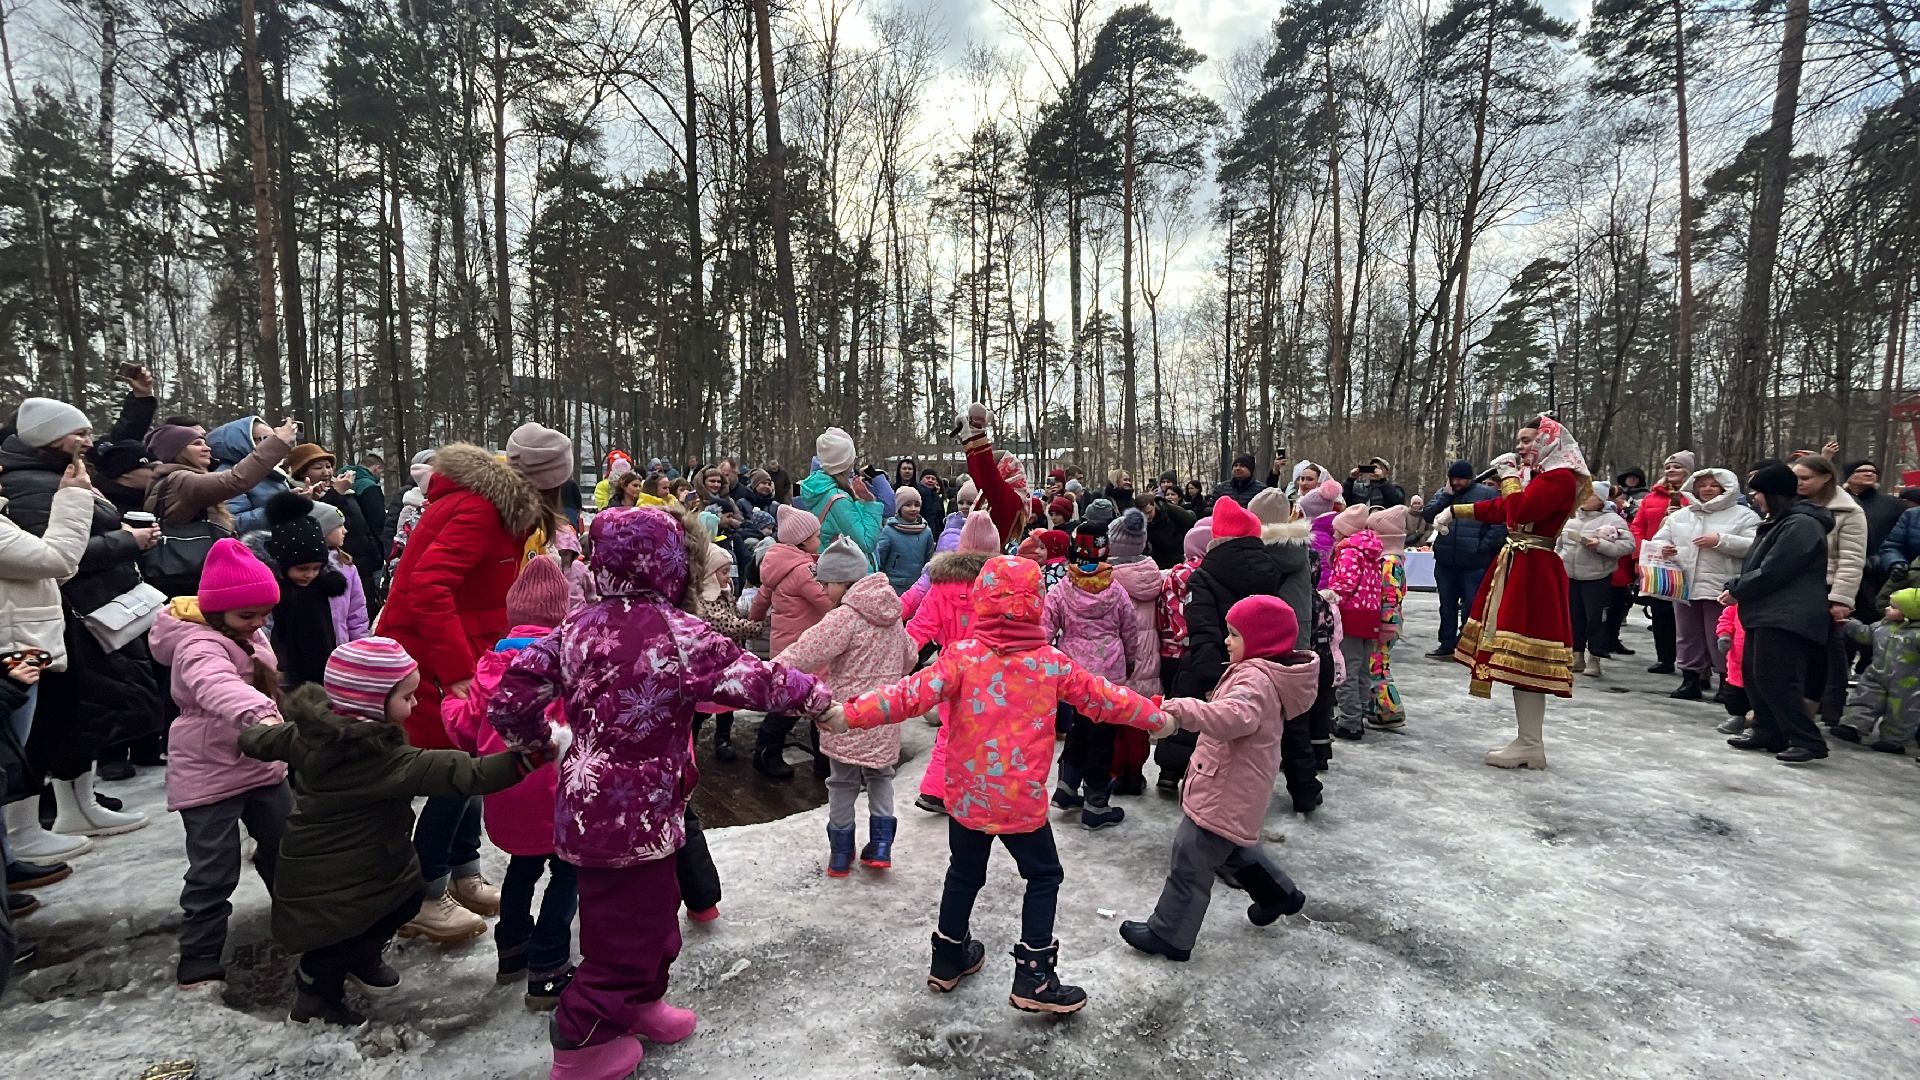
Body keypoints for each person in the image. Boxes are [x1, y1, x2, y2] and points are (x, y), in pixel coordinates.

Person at [487, 506, 836, 1076]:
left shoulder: (576, 625)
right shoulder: (679, 633)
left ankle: (641, 1004)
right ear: (673, 564)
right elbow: (758, 676)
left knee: (646, 917)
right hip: (637, 816)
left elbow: (510, 694)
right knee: (625, 932)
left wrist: (536, 741)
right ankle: (585, 1039)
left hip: (593, 803)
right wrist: (818, 699)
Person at [830, 555, 1169, 1015]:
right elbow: (1103, 698)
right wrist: (1156, 717)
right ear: (1035, 604)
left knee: (964, 874)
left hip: (967, 798)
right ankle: (1034, 975)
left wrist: (848, 713)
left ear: (984, 602)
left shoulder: (963, 658)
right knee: (1044, 875)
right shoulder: (1051, 664)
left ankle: (949, 957)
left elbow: (906, 695)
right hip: (1020, 804)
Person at [239, 639, 538, 1025]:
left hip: (338, 862)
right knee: (346, 932)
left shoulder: (309, 731)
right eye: (407, 697)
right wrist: (531, 758)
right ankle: (315, 989)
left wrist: (251, 733)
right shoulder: (380, 759)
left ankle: (360, 957)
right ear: (370, 704)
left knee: (403, 899)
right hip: (334, 877)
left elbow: (264, 739)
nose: (414, 705)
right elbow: (466, 773)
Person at [379, 441, 544, 945]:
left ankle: (463, 870)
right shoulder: (478, 510)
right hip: (435, 655)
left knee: (471, 757)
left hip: (466, 646)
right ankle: (425, 896)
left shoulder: (492, 508)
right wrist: (455, 671)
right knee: (456, 769)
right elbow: (429, 586)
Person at [1119, 596, 1313, 962]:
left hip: (1228, 787)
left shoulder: (1254, 679)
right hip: (1233, 784)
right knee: (1233, 850)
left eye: (1235, 635)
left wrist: (1179, 709)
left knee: (1190, 856)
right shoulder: (1260, 672)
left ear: (1261, 642)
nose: (1226, 641)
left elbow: (1234, 716)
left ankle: (1170, 934)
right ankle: (1280, 895)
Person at [0, 397, 161, 838]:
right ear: (48, 438)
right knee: (48, 726)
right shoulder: (31, 484)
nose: (89, 442)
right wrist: (128, 542)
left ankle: (80, 807)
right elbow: (53, 557)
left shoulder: (60, 476)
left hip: (75, 614)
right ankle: (23, 832)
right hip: (53, 622)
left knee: (82, 717)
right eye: (79, 433)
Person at [149, 538, 293, 989]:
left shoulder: (248, 633)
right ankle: (200, 955)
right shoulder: (199, 645)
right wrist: (263, 716)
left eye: (263, 615)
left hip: (259, 762)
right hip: (209, 770)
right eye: (246, 616)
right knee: (214, 869)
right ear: (216, 612)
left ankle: (302, 924)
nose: (258, 624)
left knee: (289, 848)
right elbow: (216, 686)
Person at [440, 555, 578, 1009]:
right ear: (563, 614)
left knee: (522, 868)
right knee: (567, 873)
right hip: (558, 795)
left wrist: (448, 706)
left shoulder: (490, 665)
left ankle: (513, 951)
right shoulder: (567, 665)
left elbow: (466, 730)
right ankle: (550, 964)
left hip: (505, 792)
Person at [1438, 414, 1584, 770]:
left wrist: (1507, 478)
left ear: (1547, 440)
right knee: (1518, 657)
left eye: (1527, 440)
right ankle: (1528, 741)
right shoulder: (1543, 477)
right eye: (1519, 441)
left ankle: (1530, 743)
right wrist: (1455, 511)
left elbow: (1520, 510)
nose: (1520, 448)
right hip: (1522, 564)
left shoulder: (1560, 478)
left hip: (1534, 568)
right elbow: (1506, 509)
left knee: (1526, 652)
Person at [774, 549, 915, 878]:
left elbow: (807, 651)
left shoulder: (845, 618)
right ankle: (881, 846)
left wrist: (771, 671)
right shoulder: (892, 615)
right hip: (883, 711)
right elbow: (909, 657)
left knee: (841, 782)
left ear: (843, 581)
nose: (823, 590)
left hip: (847, 716)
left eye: (826, 583)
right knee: (881, 777)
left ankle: (840, 854)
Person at [0, 457, 102, 872]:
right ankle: (11, 854)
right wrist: (74, 499)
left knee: (14, 753)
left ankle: (8, 858)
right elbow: (58, 559)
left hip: (19, 647)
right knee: (10, 756)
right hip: (11, 652)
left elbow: (46, 571)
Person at [1158, 498, 1288, 788]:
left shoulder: (1204, 574)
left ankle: (1171, 771)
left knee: (1194, 710)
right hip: (1258, 662)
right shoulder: (1271, 569)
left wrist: (1207, 670)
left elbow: (1201, 625)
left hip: (1211, 658)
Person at [1721, 464, 1835, 764]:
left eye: (1758, 492)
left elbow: (1775, 569)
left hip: (1788, 613)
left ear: (1773, 493)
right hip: (1767, 610)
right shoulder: (1780, 521)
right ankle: (1767, 730)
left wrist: (1738, 589)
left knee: (1777, 679)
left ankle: (1807, 740)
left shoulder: (1801, 525)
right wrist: (1739, 587)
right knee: (1756, 676)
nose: (1755, 498)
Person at [1045, 521, 1149, 831]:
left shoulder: (1062, 589)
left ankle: (1066, 786)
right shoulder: (1116, 591)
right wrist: (1130, 663)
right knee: (1102, 735)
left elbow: (1046, 629)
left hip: (1073, 673)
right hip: (1110, 672)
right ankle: (1096, 802)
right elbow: (1129, 631)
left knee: (1079, 726)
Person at [904, 511, 1002, 815]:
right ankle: (979, 791)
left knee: (950, 730)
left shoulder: (940, 587)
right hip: (993, 671)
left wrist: (900, 658)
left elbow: (919, 628)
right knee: (990, 733)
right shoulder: (1001, 585)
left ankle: (935, 792)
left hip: (951, 669)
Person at [143, 418, 296, 596]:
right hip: (189, 577)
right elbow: (235, 480)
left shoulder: (176, 479)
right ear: (176, 451)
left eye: (205, 442)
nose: (207, 448)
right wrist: (278, 443)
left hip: (183, 575)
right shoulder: (182, 480)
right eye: (196, 444)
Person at [1649, 468, 1761, 700]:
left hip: (1720, 586)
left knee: (1718, 636)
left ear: (1726, 488)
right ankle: (1690, 679)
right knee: (1687, 635)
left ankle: (1726, 682)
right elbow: (1660, 539)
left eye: (1713, 485)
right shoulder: (1680, 515)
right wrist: (1664, 549)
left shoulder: (1744, 516)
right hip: (1684, 585)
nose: (1707, 489)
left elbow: (1755, 545)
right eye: (1702, 485)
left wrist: (1721, 541)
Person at [746, 505, 833, 778]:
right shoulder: (804, 570)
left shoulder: (778, 566)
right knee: (815, 703)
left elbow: (761, 600)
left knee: (790, 701)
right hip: (808, 648)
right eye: (817, 535)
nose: (820, 539)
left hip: (785, 646)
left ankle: (766, 752)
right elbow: (827, 601)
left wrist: (754, 622)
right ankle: (824, 763)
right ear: (803, 540)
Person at [1792, 455, 1867, 729]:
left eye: (1805, 478)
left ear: (1826, 478)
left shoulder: (1849, 511)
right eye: (1796, 478)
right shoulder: (1791, 505)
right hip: (1790, 587)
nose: (1798, 484)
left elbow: (1851, 559)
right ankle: (1780, 708)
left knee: (1821, 654)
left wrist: (1840, 599)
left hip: (1825, 588)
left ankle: (1809, 709)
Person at [1106, 509, 1163, 795]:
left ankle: (1116, 772)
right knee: (1138, 720)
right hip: (1147, 660)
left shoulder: (1108, 580)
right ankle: (1136, 772)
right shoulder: (1154, 575)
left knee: (1115, 719)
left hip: (1118, 660)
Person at [1422, 462, 1504, 660]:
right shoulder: (1446, 494)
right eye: (1453, 479)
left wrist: (1482, 547)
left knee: (1472, 606)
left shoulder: (1487, 494)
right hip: (1446, 561)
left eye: (1460, 479)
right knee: (1447, 605)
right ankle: (1447, 643)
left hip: (1475, 562)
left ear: (1469, 478)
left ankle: (1467, 644)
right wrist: (1446, 496)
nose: (1456, 483)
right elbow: (1428, 514)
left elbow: (1499, 524)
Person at [1557, 481, 1634, 679]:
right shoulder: (1570, 517)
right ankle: (1577, 654)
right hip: (1570, 575)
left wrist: (1600, 545)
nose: (1584, 498)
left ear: (1601, 499)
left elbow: (1627, 546)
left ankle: (1595, 656)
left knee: (1595, 618)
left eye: (1590, 495)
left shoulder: (1613, 519)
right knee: (1574, 616)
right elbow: (1558, 545)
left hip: (1596, 576)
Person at [1630, 451, 1693, 675]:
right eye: (1668, 467)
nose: (1671, 471)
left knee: (1686, 615)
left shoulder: (1695, 495)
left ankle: (1694, 665)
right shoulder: (1652, 498)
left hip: (1686, 560)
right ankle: (1665, 658)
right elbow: (1637, 526)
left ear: (1688, 471)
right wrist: (1639, 554)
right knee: (1660, 611)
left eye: (1677, 467)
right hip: (1657, 560)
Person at [1835, 588, 1920, 753]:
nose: (1887, 609)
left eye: (1894, 607)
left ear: (1909, 613)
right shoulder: (1882, 626)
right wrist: (1850, 625)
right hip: (1876, 674)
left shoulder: (1916, 635)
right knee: (1864, 699)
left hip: (1909, 682)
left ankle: (1894, 741)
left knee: (1902, 712)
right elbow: (1865, 634)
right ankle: (1853, 726)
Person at [1328, 506, 1384, 740]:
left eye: (1336, 530)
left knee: (1346, 668)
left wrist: (1328, 596)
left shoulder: (1350, 552)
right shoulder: (1370, 552)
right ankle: (1358, 713)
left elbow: (1344, 585)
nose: (1333, 535)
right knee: (1361, 668)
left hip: (1350, 614)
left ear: (1345, 531)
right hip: (1370, 614)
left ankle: (1349, 721)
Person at [798, 427, 889, 561]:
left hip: (834, 567)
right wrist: (870, 502)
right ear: (844, 462)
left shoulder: (819, 489)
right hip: (847, 573)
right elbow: (866, 543)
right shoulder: (838, 499)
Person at [952, 405, 1034, 547]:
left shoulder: (1011, 500)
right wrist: (967, 438)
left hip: (992, 560)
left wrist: (977, 431)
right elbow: (978, 472)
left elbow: (987, 473)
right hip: (978, 556)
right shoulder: (989, 494)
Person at [204, 416, 296, 533]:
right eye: (267, 438)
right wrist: (281, 509)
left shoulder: (269, 471)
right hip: (255, 548)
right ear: (242, 442)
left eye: (274, 437)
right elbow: (232, 522)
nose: (273, 442)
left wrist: (295, 499)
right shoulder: (226, 474)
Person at [1842, 459, 1904, 624]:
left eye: (1874, 471)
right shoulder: (1839, 503)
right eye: (1861, 470)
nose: (1869, 473)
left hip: (1880, 574)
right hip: (1845, 574)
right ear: (1848, 476)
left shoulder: (1894, 505)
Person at [1365, 506, 1410, 730]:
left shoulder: (1389, 561)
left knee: (1378, 667)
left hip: (1386, 623)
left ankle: (1390, 710)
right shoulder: (1392, 558)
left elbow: (1390, 597)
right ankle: (1378, 707)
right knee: (1377, 664)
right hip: (1386, 622)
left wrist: (1387, 625)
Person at [875, 486, 938, 593]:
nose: (913, 509)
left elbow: (929, 558)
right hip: (894, 585)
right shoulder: (889, 531)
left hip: (918, 584)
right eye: (908, 505)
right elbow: (880, 558)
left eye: (916, 505)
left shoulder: (926, 531)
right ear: (899, 507)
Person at [1142, 490, 1196, 570]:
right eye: (1143, 514)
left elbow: (1190, 525)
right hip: (1158, 560)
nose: (1147, 517)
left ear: (1154, 505)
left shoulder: (1172, 511)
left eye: (1149, 512)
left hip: (1178, 556)